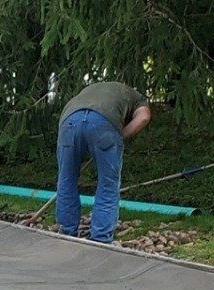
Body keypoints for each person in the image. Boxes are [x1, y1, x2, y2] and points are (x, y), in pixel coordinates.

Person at [56, 79, 150, 242]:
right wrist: (119, 137)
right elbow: (143, 118)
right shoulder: (137, 98)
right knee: (108, 184)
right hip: (104, 123)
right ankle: (101, 239)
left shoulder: (92, 89)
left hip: (69, 122)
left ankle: (66, 232)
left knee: (66, 180)